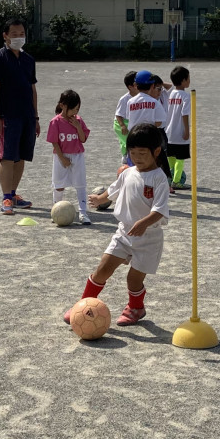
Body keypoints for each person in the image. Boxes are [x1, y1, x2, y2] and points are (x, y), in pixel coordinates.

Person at [62, 123, 170, 326]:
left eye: (142, 153)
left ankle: (136, 308)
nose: (137, 157)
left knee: (133, 279)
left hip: (148, 238)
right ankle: (83, 305)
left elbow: (160, 210)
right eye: (133, 153)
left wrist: (143, 223)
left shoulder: (159, 179)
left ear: (156, 152)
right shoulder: (128, 173)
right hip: (123, 233)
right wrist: (100, 198)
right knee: (102, 269)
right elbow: (113, 190)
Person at [0, 19, 40, 215]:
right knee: (7, 157)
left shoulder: (29, 60)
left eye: (22, 34)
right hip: (8, 116)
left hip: (27, 115)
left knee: (21, 157)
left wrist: (35, 118)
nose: (19, 37)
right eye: (15, 34)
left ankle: (14, 193)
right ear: (5, 36)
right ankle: (6, 197)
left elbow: (32, 89)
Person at [47, 89, 92, 225]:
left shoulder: (78, 120)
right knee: (59, 184)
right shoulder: (55, 122)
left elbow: (83, 139)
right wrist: (62, 158)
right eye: (73, 109)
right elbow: (54, 142)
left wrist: (78, 127)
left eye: (77, 109)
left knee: (80, 185)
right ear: (63, 106)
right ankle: (56, 210)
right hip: (61, 157)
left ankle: (83, 213)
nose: (75, 112)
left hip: (77, 156)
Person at [126, 70, 173, 191]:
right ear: (152, 86)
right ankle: (155, 187)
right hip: (149, 138)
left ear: (136, 86)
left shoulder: (130, 101)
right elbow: (161, 121)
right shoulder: (154, 102)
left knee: (135, 166)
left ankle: (135, 187)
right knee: (151, 165)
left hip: (133, 137)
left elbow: (128, 117)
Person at [165, 66, 191, 190]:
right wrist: (186, 130)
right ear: (183, 81)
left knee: (171, 157)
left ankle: (170, 178)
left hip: (168, 131)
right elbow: (184, 114)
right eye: (188, 78)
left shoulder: (170, 94)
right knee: (180, 159)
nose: (189, 80)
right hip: (179, 132)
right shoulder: (185, 96)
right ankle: (176, 181)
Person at [113, 71, 138, 165]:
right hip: (121, 123)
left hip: (130, 121)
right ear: (130, 87)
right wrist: (122, 125)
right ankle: (125, 157)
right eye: (137, 83)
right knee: (126, 141)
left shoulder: (140, 96)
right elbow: (118, 114)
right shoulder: (124, 99)